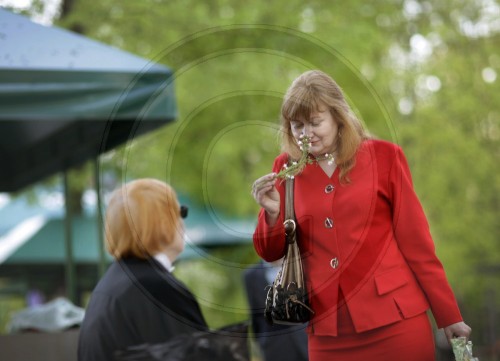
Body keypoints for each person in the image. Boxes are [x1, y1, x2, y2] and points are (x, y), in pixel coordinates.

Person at [251, 70, 471, 361]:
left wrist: (448, 315)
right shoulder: (286, 169)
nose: (306, 134)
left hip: (396, 322)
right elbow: (270, 252)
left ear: (338, 117)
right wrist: (272, 213)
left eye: (315, 123)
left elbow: (417, 246)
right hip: (328, 332)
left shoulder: (385, 157)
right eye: (297, 126)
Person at [78, 178, 208, 361]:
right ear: (163, 223)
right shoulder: (157, 289)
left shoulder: (109, 285)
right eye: (181, 212)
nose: (182, 221)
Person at [243, 259, 309, 361]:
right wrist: (263, 341)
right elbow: (255, 316)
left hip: (306, 340)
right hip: (274, 347)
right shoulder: (250, 276)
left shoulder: (302, 266)